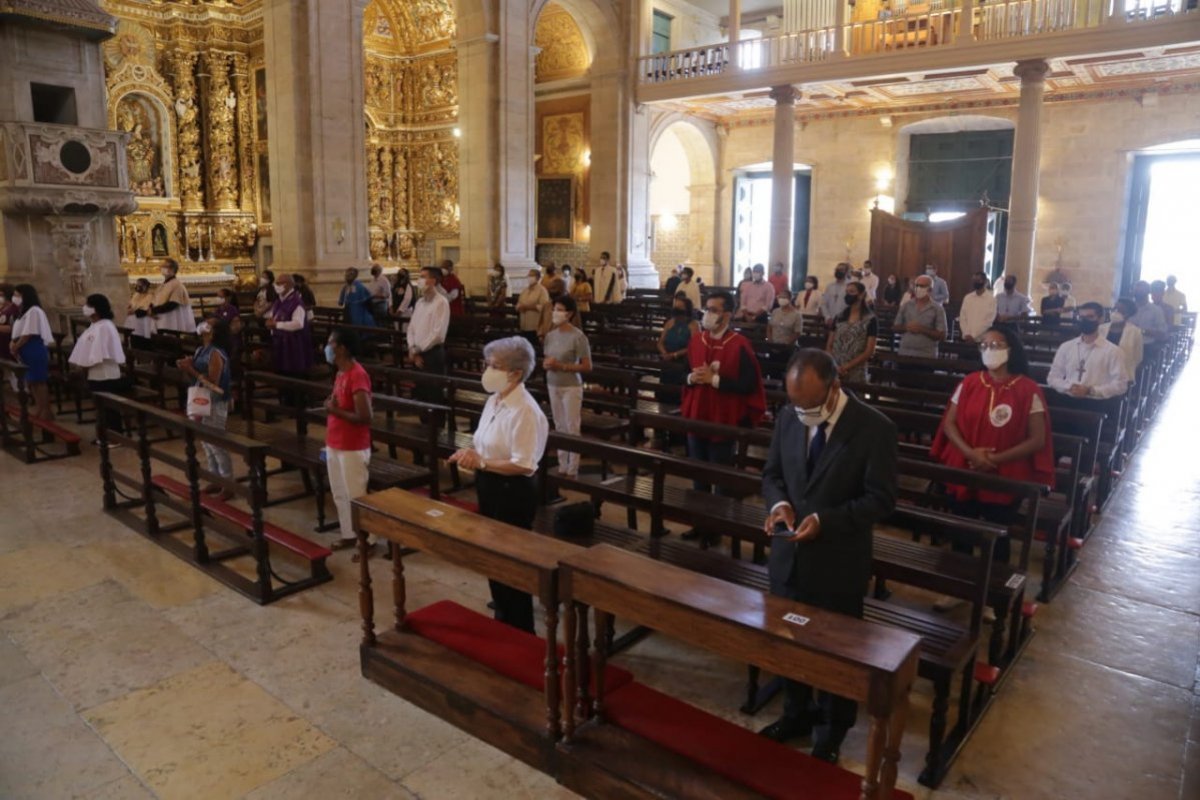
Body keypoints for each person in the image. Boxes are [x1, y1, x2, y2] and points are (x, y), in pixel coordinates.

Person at [759, 348, 897, 764]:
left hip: (838, 560)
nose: (802, 413)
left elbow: (881, 499)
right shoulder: (789, 417)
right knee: (791, 641)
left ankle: (832, 730)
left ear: (835, 387)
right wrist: (778, 505)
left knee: (836, 651)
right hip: (789, 557)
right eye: (795, 403)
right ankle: (795, 713)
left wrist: (826, 520)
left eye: (811, 405)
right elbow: (773, 475)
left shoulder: (873, 428)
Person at [931, 326, 1055, 577]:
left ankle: (993, 589)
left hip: (1006, 472)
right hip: (966, 466)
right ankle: (957, 584)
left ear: (1011, 349)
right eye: (984, 346)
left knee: (997, 533)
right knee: (962, 528)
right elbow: (949, 423)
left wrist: (994, 460)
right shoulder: (969, 382)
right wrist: (971, 454)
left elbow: (1037, 439)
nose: (989, 351)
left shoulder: (1028, 389)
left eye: (996, 346)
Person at [449, 337, 548, 632]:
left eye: (494, 366)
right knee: (492, 558)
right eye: (487, 364)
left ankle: (520, 631)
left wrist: (482, 463)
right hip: (490, 485)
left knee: (511, 565)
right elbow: (486, 442)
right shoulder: (495, 399)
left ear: (516, 373)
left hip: (513, 492)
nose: (487, 370)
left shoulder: (526, 412)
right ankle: (503, 618)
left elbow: (524, 464)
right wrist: (472, 455)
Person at [681, 291, 766, 501]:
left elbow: (749, 385)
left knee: (720, 475)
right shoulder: (697, 341)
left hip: (723, 417)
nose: (707, 314)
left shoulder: (739, 345)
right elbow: (683, 374)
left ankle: (716, 528)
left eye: (713, 310)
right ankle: (699, 522)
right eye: (706, 309)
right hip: (697, 414)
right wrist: (692, 377)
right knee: (697, 471)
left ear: (727, 315)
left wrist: (715, 380)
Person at [323, 327, 377, 555]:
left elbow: (365, 416)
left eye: (330, 343)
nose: (327, 348)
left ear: (342, 348)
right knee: (338, 491)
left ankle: (367, 540)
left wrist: (334, 411)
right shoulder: (340, 373)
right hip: (335, 441)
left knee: (357, 494)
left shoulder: (357, 374)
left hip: (353, 445)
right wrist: (333, 407)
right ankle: (348, 533)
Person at [178, 318, 234, 498]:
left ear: (214, 331)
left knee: (216, 442)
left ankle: (228, 483)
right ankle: (214, 478)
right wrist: (187, 368)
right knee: (205, 442)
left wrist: (191, 369)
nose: (203, 324)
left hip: (215, 401)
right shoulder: (201, 349)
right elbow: (194, 379)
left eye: (209, 323)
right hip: (200, 398)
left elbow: (213, 382)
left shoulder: (216, 353)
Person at [543, 296, 592, 479]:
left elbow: (587, 366)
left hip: (571, 386)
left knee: (572, 426)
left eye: (560, 309)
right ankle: (562, 465)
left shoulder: (578, 337)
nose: (555, 313)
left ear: (569, 314)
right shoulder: (550, 335)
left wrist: (562, 366)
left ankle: (573, 469)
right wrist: (547, 365)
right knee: (559, 425)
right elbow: (548, 358)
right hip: (552, 383)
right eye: (554, 308)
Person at [69, 294, 127, 439]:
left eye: (88, 305)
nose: (85, 308)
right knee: (101, 408)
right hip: (95, 374)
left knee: (110, 408)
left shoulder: (105, 326)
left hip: (105, 374)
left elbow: (99, 353)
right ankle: (103, 435)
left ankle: (115, 436)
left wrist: (84, 367)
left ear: (96, 308)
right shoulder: (95, 325)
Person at [1047, 302, 1130, 399]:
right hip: (1067, 400)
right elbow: (1053, 378)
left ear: (1101, 319)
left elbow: (1121, 385)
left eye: (1090, 317)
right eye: (1081, 317)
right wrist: (1069, 387)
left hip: (1097, 405)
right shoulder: (1066, 347)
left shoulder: (1113, 351)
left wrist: (1091, 390)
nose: (1084, 320)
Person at [9, 284, 54, 420]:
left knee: (39, 380)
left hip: (34, 348)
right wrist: (13, 343)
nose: (15, 297)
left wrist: (16, 346)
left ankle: (46, 411)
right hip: (25, 349)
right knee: (32, 381)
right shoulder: (24, 311)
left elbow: (28, 333)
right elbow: (17, 331)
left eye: (17, 295)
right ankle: (40, 408)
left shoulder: (34, 310)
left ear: (25, 295)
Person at [407, 266, 451, 403]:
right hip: (417, 353)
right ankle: (423, 422)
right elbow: (411, 328)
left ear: (433, 280)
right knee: (421, 393)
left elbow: (438, 334)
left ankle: (436, 423)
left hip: (432, 354)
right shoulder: (420, 302)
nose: (420, 280)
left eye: (423, 277)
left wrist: (418, 350)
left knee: (433, 394)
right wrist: (412, 348)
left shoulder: (441, 303)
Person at [265, 273, 313, 390]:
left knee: (293, 377)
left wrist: (277, 325)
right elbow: (273, 317)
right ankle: (284, 402)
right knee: (282, 376)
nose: (276, 286)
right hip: (281, 343)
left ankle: (295, 403)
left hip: (294, 345)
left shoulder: (296, 302)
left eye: (278, 283)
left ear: (287, 285)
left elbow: (298, 324)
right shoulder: (279, 302)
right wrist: (270, 324)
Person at [826, 281, 878, 383]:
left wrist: (847, 366)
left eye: (852, 292)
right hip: (835, 369)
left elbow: (869, 351)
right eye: (847, 292)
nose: (848, 295)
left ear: (861, 295)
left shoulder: (871, 319)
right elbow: (829, 345)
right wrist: (836, 366)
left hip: (856, 370)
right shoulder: (839, 317)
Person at [894, 273, 947, 358]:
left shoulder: (937, 309)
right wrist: (906, 327)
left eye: (922, 286)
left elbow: (942, 335)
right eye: (916, 285)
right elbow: (895, 327)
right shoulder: (906, 305)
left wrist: (922, 329)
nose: (918, 288)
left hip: (926, 354)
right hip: (905, 352)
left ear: (930, 289)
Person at [659, 294, 698, 391]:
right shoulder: (670, 322)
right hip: (667, 358)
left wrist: (674, 355)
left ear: (686, 309)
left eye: (679, 307)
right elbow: (660, 342)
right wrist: (664, 353)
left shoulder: (693, 325)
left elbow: (694, 346)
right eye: (675, 307)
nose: (676, 309)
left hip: (683, 361)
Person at [1101, 297, 1144, 379]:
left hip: (1122, 373)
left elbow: (1138, 357)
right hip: (1101, 371)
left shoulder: (1135, 332)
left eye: (1120, 310)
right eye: (1114, 309)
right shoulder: (1101, 329)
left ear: (1127, 314)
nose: (1115, 312)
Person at [152, 259, 195, 333]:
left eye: (165, 266)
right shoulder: (163, 285)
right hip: (161, 318)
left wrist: (154, 310)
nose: (162, 268)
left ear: (172, 269)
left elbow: (173, 304)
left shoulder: (177, 285)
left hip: (171, 320)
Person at [958, 271, 997, 342]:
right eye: (974, 280)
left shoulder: (991, 300)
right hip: (966, 338)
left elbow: (988, 321)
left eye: (978, 280)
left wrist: (973, 335)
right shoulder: (968, 298)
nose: (975, 282)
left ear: (985, 281)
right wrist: (967, 334)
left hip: (981, 339)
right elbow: (962, 317)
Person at [1130, 280, 1169, 348]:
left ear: (1148, 293)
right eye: (1136, 292)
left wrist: (1141, 331)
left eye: (1141, 292)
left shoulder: (1156, 310)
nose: (1138, 294)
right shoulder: (1128, 307)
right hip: (1126, 344)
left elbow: (1162, 333)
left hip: (1146, 345)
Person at [516, 269, 551, 341]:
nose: (529, 277)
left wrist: (528, 307)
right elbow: (518, 304)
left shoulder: (542, 290)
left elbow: (544, 308)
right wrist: (519, 307)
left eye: (531, 275)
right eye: (529, 275)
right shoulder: (525, 290)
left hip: (535, 326)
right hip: (523, 325)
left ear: (537, 278)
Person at [123, 278, 156, 350]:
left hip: (143, 322)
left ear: (145, 286)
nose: (137, 286)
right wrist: (129, 308)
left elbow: (146, 309)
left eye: (139, 285)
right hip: (133, 322)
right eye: (136, 284)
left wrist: (134, 311)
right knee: (133, 340)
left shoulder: (150, 296)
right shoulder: (136, 295)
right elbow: (131, 305)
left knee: (143, 343)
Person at [0, 283, 15, 361]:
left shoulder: (13, 309)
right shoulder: (2, 308)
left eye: (1, 295)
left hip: (7, 344)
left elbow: (12, 328)